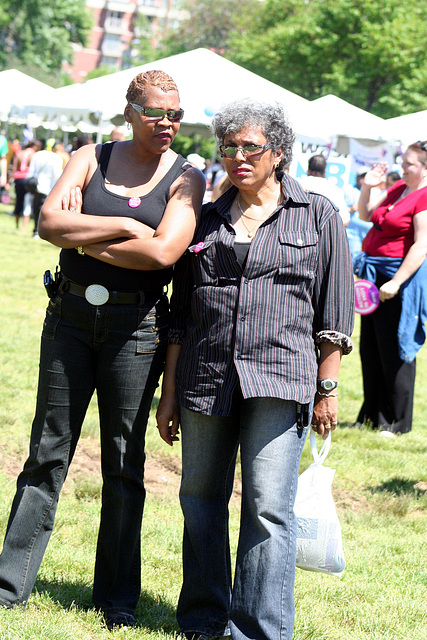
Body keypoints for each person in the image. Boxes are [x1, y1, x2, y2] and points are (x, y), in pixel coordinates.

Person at [0, 70, 205, 629]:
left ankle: (116, 599)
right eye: (157, 113)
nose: (168, 124)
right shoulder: (90, 157)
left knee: (123, 462)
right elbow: (47, 223)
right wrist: (121, 224)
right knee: (47, 451)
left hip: (136, 328)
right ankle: (9, 585)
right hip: (67, 317)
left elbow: (164, 255)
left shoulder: (187, 177)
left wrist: (84, 230)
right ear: (130, 111)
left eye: (177, 114)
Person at [156, 99, 354, 640]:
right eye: (228, 148)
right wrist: (168, 391)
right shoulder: (207, 216)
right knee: (199, 498)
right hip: (205, 376)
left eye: (251, 147)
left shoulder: (317, 214)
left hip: (280, 376)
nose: (237, 157)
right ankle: (202, 618)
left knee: (268, 508)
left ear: (279, 152)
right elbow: (180, 310)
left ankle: (259, 629)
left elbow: (335, 312)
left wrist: (327, 387)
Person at [353, 142, 427, 436]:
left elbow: (422, 245)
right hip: (373, 277)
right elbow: (365, 215)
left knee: (394, 349)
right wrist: (368, 188)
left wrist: (396, 282)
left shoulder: (423, 197)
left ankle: (398, 422)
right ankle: (372, 414)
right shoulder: (398, 188)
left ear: (424, 168)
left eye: (409, 163)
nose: (402, 166)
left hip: (398, 280)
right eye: (403, 161)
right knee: (369, 347)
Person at [298, 153, 350, 226]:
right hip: (321, 235)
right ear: (325, 170)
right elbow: (345, 221)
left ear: (308, 169)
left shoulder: (296, 183)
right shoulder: (335, 190)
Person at [27, 139, 63, 237]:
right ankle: (41, 231)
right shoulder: (56, 158)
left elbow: (31, 171)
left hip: (36, 186)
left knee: (35, 209)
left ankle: (35, 230)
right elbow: (57, 175)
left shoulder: (37, 155)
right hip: (49, 187)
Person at [11, 139, 40, 229]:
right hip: (27, 179)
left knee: (18, 200)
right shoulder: (33, 154)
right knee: (27, 202)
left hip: (18, 178)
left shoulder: (20, 153)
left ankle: (16, 224)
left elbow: (14, 168)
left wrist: (9, 180)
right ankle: (24, 227)